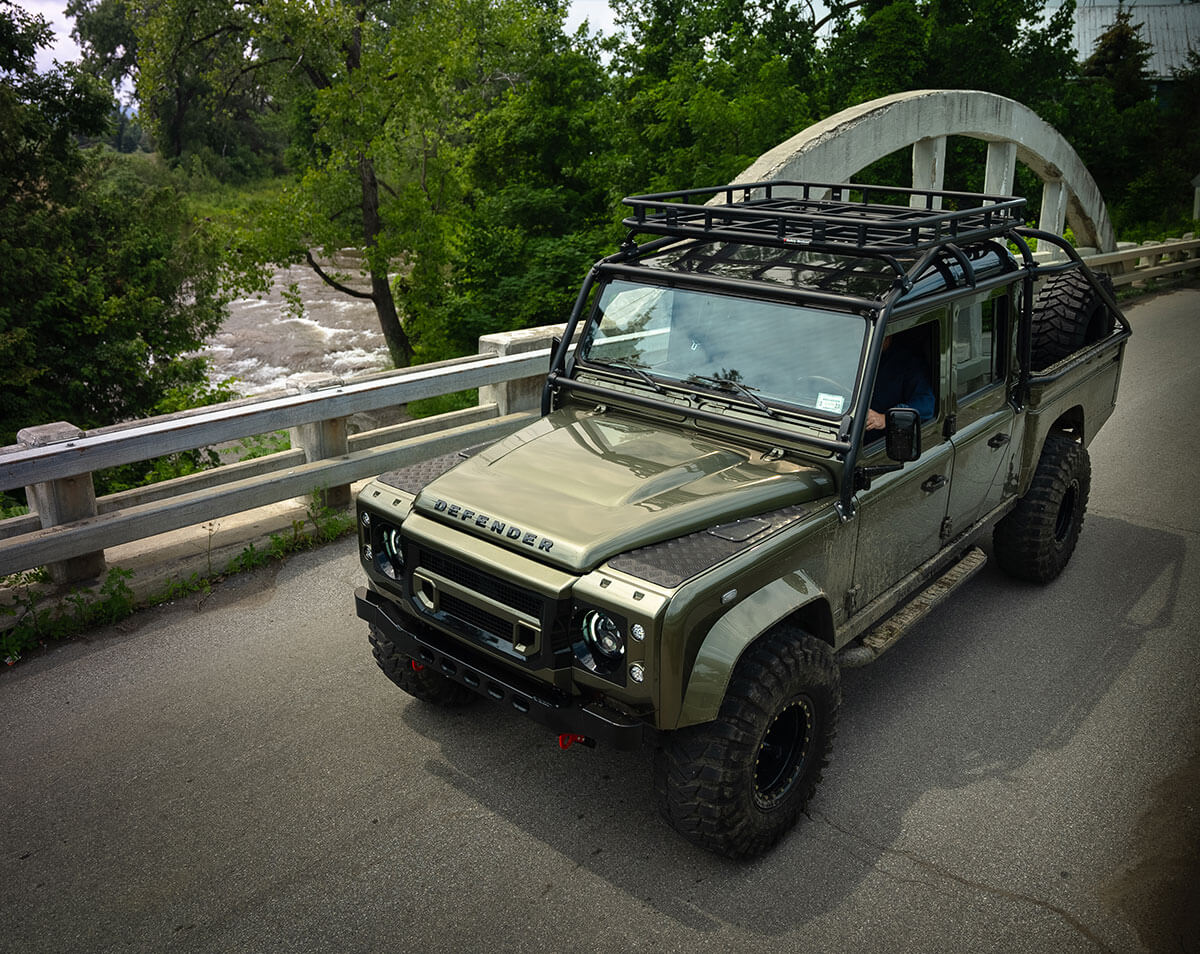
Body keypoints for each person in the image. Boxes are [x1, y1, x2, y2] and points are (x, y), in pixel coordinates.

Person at [865, 334, 935, 432]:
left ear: (887, 336)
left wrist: (886, 418)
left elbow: (926, 406)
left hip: (888, 436)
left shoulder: (909, 363)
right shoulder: (854, 355)